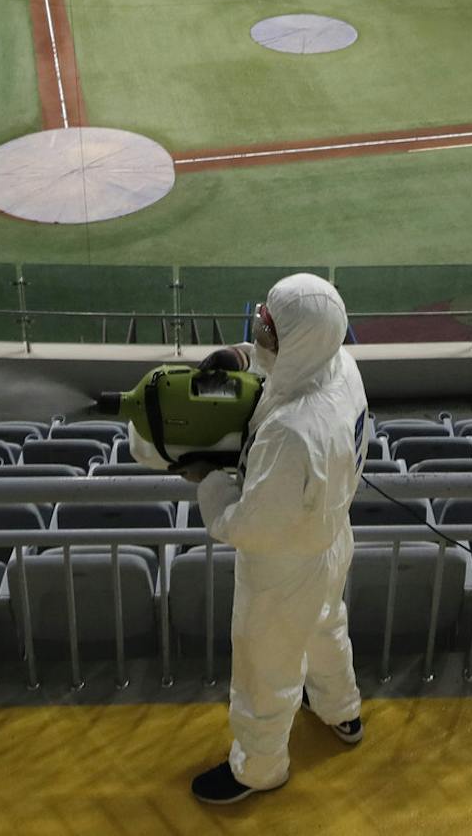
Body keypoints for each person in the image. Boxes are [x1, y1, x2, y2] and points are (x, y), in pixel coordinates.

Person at [185, 272, 371, 805]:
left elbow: (249, 525)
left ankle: (258, 769)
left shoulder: (292, 429)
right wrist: (241, 358)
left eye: (268, 324)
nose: (259, 324)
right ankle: (343, 711)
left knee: (265, 667)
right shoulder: (342, 367)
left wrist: (211, 482)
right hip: (331, 535)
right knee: (326, 626)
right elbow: (292, 361)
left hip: (283, 563)